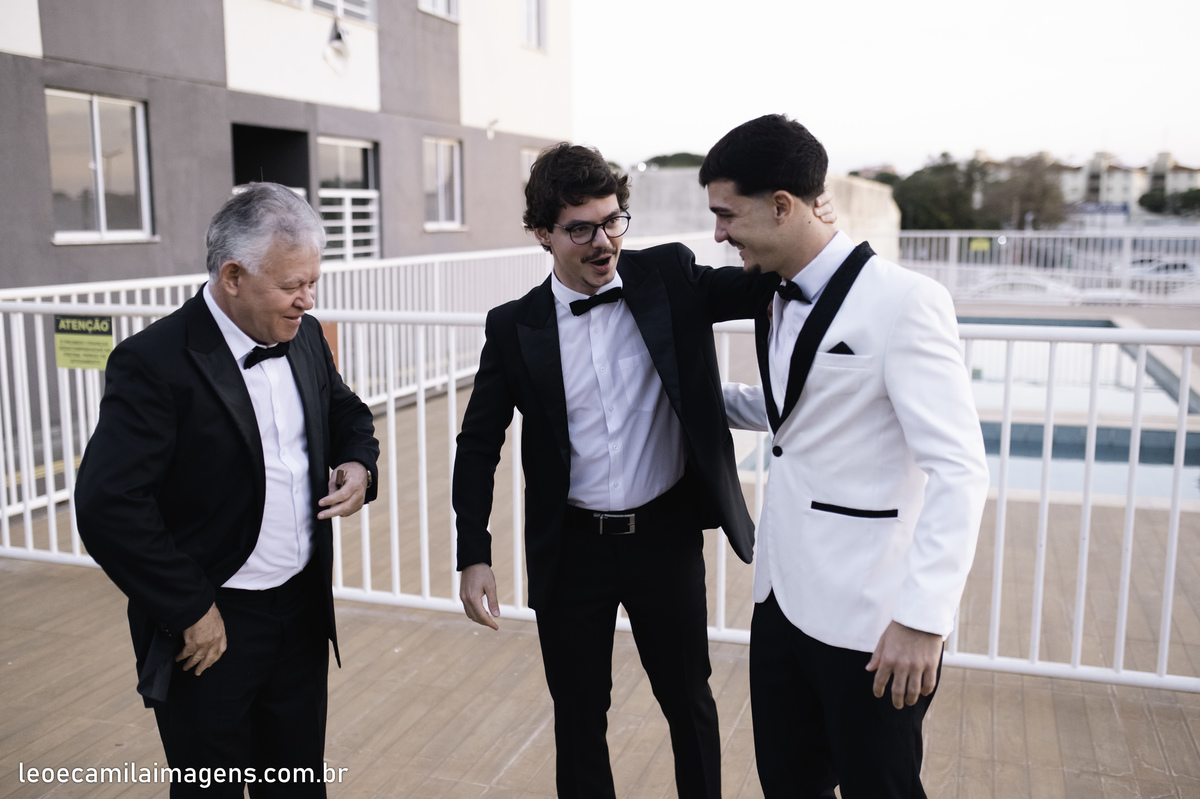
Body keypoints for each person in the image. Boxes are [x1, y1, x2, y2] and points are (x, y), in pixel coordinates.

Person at [452, 142, 833, 799]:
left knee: (689, 701)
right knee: (579, 716)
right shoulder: (514, 327)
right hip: (570, 550)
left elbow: (766, 281)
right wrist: (473, 552)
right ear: (543, 234)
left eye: (613, 221)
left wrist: (811, 225)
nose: (604, 242)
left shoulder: (669, 277)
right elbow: (478, 443)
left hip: (664, 537)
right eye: (580, 229)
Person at [704, 115, 989, 799]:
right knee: (788, 785)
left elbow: (959, 468)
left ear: (782, 206)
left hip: (872, 619)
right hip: (779, 600)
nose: (717, 234)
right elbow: (796, 413)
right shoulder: (773, 293)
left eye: (726, 214)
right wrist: (693, 399)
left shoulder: (906, 302)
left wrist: (923, 619)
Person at [75, 182, 379, 798]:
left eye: (313, 282)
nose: (307, 299)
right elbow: (108, 505)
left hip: (299, 610)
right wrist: (190, 608)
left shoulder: (304, 335)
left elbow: (345, 411)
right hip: (209, 625)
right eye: (292, 285)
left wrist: (358, 464)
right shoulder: (153, 360)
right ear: (233, 276)